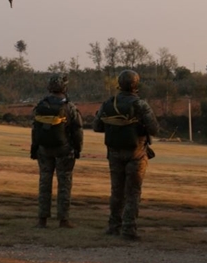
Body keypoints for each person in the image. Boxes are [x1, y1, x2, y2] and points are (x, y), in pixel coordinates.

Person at [93, 70, 158, 239]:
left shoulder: (108, 103)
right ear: (136, 84)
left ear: (119, 84)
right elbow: (154, 129)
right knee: (133, 192)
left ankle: (113, 226)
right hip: (136, 153)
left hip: (114, 154)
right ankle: (129, 229)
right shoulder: (141, 105)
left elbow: (97, 127)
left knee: (117, 192)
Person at [30, 73, 83, 229]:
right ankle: (63, 220)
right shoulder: (70, 107)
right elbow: (77, 130)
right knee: (64, 184)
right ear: (64, 87)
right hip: (64, 151)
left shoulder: (41, 105)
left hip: (44, 150)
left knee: (44, 183)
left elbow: (35, 130)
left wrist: (34, 148)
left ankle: (42, 219)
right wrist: (78, 149)